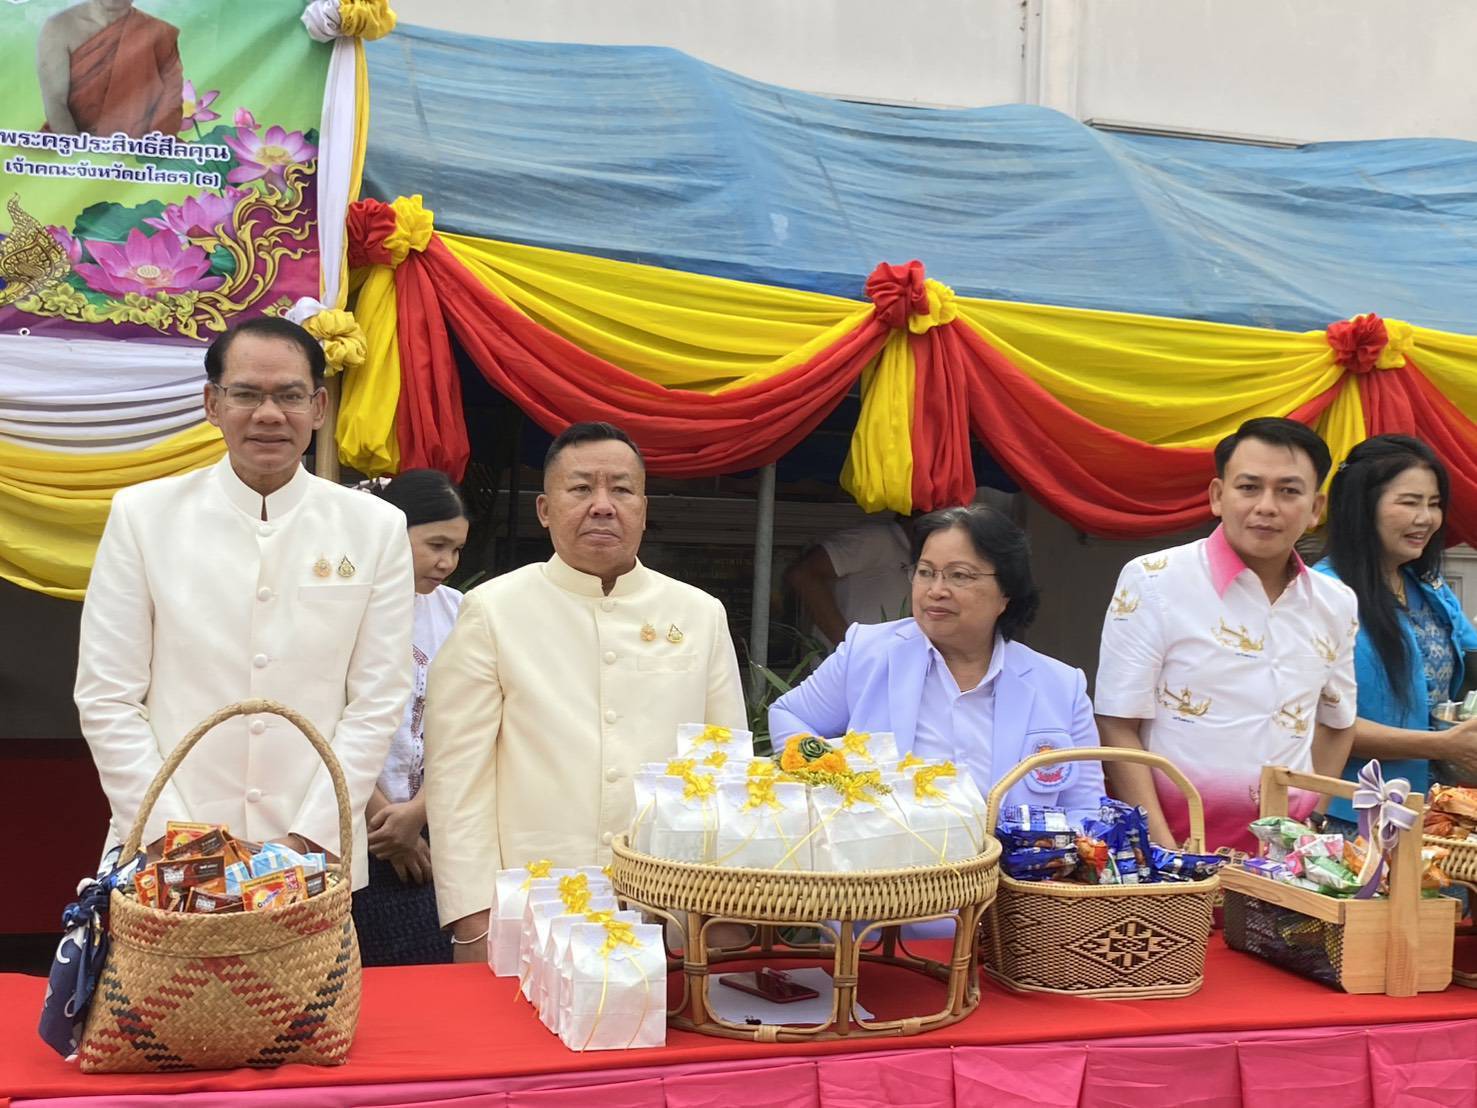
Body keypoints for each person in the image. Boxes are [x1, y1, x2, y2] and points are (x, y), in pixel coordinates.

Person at [74, 316, 414, 888]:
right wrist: (175, 837)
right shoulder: (144, 516)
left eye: (289, 396)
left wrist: (307, 839)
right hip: (165, 851)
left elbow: (378, 700)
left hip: (315, 855)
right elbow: (108, 696)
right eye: (246, 395)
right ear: (212, 403)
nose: (269, 415)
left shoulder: (375, 527)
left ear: (320, 408)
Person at [422, 421, 747, 961]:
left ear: (643, 507)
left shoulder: (699, 613)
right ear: (545, 510)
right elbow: (457, 778)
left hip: (668, 909)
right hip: (533, 903)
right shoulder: (494, 610)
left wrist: (725, 909)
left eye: (620, 489)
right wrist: (472, 915)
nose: (602, 505)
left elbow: (724, 772)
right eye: (580, 489)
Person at [1094, 417, 1358, 853]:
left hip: (1284, 867)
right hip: (1177, 854)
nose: (1267, 506)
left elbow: (1338, 723)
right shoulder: (1154, 580)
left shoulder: (1336, 602)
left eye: (1289, 491)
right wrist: (1166, 854)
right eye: (1249, 487)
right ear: (1218, 496)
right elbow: (1117, 723)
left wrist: (1310, 821)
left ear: (1316, 508)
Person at [769, 504, 1105, 813]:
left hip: (1007, 871)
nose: (936, 590)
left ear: (1007, 592)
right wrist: (834, 780)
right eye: (926, 572)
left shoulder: (1061, 686)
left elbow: (1086, 810)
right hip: (887, 867)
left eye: (959, 575)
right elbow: (789, 716)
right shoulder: (867, 653)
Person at [1315, 435, 1477, 824]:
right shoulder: (1322, 594)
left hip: (1437, 812)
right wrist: (1441, 745)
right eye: (1409, 502)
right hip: (1354, 815)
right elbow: (1315, 721)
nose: (1426, 518)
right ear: (1362, 507)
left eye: (1434, 504)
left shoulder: (1429, 587)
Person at [351, 469, 470, 965]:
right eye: (435, 544)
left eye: (457, 549)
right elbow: (325, 718)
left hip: (433, 826)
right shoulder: (346, 604)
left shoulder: (459, 611)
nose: (446, 562)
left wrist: (418, 813)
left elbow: (469, 726)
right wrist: (384, 821)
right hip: (350, 824)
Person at [37, 0, 183, 137]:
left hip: (138, 148)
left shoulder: (159, 33)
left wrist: (143, 152)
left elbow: (170, 104)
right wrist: (76, 154)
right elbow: (56, 102)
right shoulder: (60, 27)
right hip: (67, 144)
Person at [785, 514, 913, 646]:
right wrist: (848, 648)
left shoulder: (919, 553)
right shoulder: (877, 538)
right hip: (851, 662)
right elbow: (803, 574)